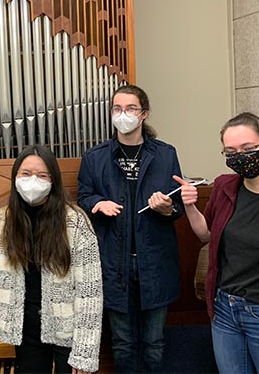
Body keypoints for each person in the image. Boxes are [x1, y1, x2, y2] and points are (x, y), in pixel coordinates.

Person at [0, 145, 102, 374]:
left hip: (68, 330)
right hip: (25, 329)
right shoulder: (3, 220)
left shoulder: (75, 222)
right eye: (25, 173)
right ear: (15, 177)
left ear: (53, 180)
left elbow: (90, 291)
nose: (33, 180)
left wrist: (84, 352)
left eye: (42, 175)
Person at [173, 112, 259, 374]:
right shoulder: (224, 186)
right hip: (225, 310)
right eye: (230, 151)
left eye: (247, 149)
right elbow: (206, 235)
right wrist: (190, 207)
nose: (239, 156)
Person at [77, 85, 184, 373]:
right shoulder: (94, 157)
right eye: (116, 109)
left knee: (154, 341)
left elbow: (178, 205)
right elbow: (82, 197)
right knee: (122, 342)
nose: (122, 114)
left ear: (144, 114)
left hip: (156, 260)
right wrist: (98, 202)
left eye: (130, 109)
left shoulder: (165, 154)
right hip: (113, 261)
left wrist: (167, 208)